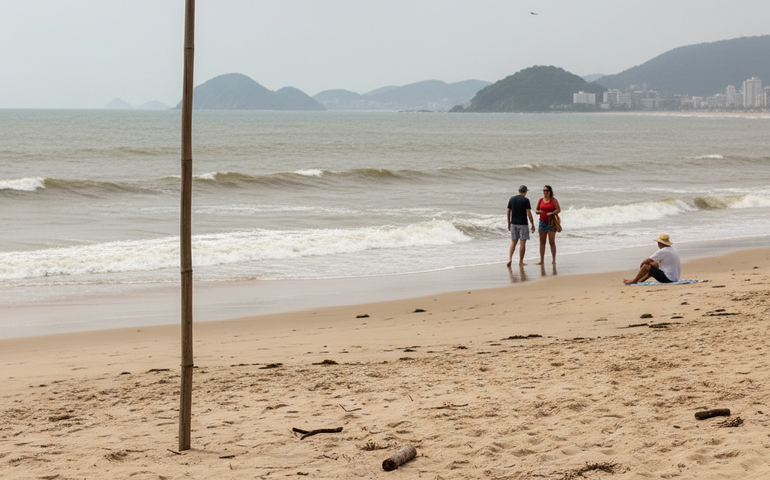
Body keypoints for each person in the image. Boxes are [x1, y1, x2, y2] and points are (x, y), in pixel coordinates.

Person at [506, 185, 536, 267]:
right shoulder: (526, 200)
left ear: (519, 191)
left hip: (513, 223)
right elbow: (529, 213)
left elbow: (508, 211)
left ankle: (510, 259)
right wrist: (532, 224)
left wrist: (509, 223)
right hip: (523, 224)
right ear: (525, 192)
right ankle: (521, 262)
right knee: (522, 243)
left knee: (513, 241)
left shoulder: (512, 199)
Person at [535, 185, 561, 265]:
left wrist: (552, 213)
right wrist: (538, 212)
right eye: (544, 190)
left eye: (546, 190)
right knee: (542, 242)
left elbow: (558, 210)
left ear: (550, 191)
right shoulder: (540, 200)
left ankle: (554, 260)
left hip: (551, 222)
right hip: (542, 222)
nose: (545, 192)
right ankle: (542, 260)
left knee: (551, 242)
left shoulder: (554, 200)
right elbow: (536, 210)